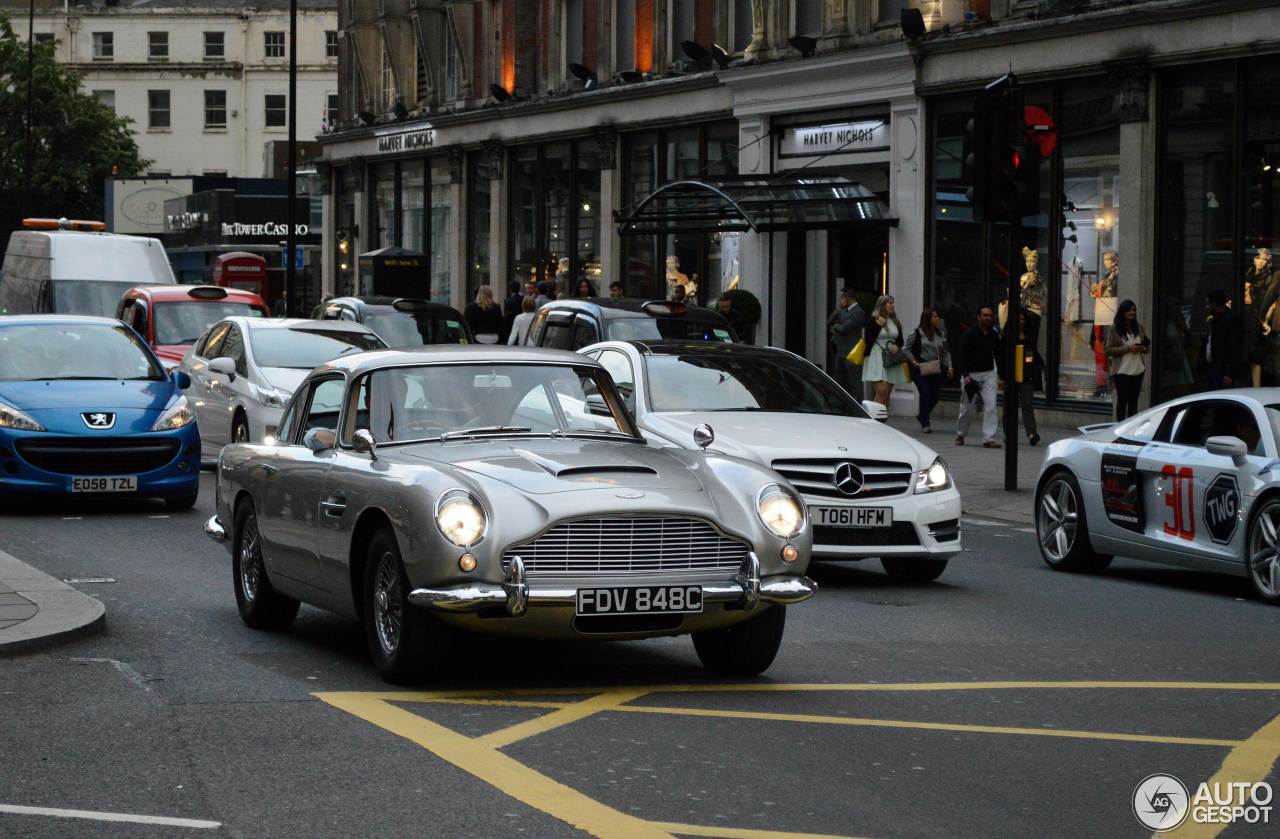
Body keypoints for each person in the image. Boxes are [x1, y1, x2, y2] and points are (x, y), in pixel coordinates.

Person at [956, 305, 1003, 449]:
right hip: (971, 374)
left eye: (990, 315)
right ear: (978, 317)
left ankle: (989, 438)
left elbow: (999, 355)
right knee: (967, 408)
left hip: (989, 373)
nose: (988, 318)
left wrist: (1001, 375)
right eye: (985, 315)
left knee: (991, 406)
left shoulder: (994, 335)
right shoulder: (970, 334)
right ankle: (961, 434)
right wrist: (966, 375)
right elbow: (962, 355)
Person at [907, 307, 953, 433]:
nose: (938, 318)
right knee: (925, 393)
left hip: (935, 367)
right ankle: (925, 424)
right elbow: (906, 349)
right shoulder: (917, 333)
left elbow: (945, 352)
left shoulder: (940, 334)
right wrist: (913, 361)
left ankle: (922, 415)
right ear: (928, 319)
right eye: (935, 316)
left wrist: (949, 366)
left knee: (935, 396)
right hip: (920, 368)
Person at [1002, 309, 1042, 446]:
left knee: (1027, 403)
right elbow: (1003, 356)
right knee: (1009, 406)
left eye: (1023, 319)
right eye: (1018, 319)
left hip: (1026, 374)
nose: (1021, 322)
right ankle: (1008, 434)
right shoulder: (1007, 335)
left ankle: (1032, 433)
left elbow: (1030, 355)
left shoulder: (1029, 335)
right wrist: (1003, 375)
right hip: (1011, 375)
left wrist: (1031, 370)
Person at [861, 294, 909, 410]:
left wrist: (897, 345)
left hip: (890, 358)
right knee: (881, 391)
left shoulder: (895, 321)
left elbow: (900, 340)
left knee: (886, 394)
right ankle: (873, 420)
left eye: (893, 302)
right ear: (883, 305)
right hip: (876, 357)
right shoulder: (874, 319)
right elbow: (868, 338)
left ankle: (881, 421)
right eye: (890, 303)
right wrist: (879, 325)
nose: (893, 305)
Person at [1106, 299, 1149, 421]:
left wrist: (1143, 348)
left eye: (1134, 310)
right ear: (1123, 312)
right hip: (1122, 371)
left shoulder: (1139, 327)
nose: (1132, 312)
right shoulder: (1114, 329)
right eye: (1129, 310)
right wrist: (1128, 349)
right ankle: (1120, 429)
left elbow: (1147, 347)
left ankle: (1131, 429)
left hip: (1138, 370)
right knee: (1122, 401)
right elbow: (1108, 350)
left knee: (1133, 402)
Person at [827, 287, 865, 397]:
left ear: (848, 298)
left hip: (852, 352)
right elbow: (829, 321)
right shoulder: (843, 311)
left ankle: (858, 406)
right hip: (840, 351)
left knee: (854, 382)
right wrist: (838, 309)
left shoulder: (858, 312)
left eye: (842, 298)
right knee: (841, 382)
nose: (841, 300)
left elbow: (845, 329)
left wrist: (836, 327)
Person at [1203, 289, 1243, 389]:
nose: (1207, 307)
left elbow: (1234, 348)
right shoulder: (1216, 320)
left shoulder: (1230, 320)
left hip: (1222, 370)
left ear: (1215, 304)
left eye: (1209, 304)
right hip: (1213, 367)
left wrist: (1229, 373)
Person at [500, 280, 523, 344]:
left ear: (510, 289)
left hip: (510, 326)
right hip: (521, 325)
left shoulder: (508, 301)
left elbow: (506, 314)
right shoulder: (523, 299)